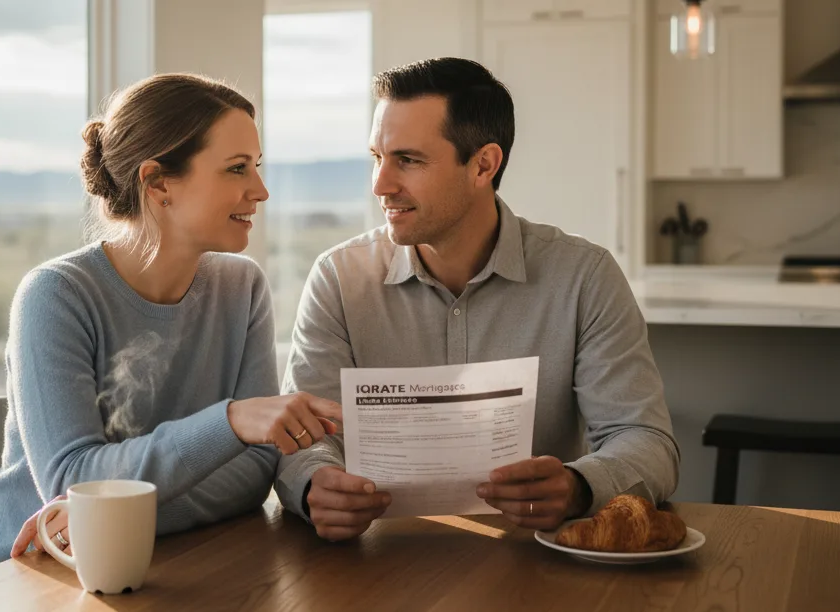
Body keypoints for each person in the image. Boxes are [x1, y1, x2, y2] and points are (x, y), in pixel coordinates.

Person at [0, 73, 341, 579]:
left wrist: (115, 513)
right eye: (236, 169)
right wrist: (230, 423)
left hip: (160, 559)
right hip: (23, 570)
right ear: (158, 183)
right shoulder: (56, 295)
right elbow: (72, 481)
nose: (261, 190)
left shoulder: (242, 288)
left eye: (256, 167)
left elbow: (253, 474)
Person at [273, 57, 680, 542]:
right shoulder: (338, 279)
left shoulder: (583, 276)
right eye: (376, 157)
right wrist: (315, 483)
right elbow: (301, 442)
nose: (380, 185)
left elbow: (646, 440)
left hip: (536, 564)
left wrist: (578, 485)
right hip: (381, 562)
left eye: (408, 160)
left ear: (483, 165)